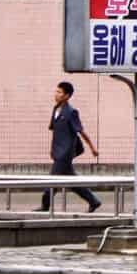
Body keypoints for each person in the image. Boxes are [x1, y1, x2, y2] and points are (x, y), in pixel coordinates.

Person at [39, 81, 101, 213]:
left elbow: (81, 131)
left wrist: (92, 147)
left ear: (67, 96)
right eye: (56, 91)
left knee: (52, 181)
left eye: (60, 92)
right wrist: (52, 149)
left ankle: (45, 206)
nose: (56, 94)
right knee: (72, 182)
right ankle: (94, 201)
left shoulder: (71, 112)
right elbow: (55, 132)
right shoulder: (56, 109)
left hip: (65, 153)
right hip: (58, 152)